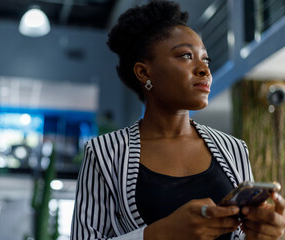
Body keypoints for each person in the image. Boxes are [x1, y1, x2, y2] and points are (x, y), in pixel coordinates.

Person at [70, 1, 285, 239]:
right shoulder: (103, 154)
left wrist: (263, 234)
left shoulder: (233, 149)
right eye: (185, 56)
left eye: (206, 59)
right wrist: (157, 234)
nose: (204, 69)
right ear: (144, 72)